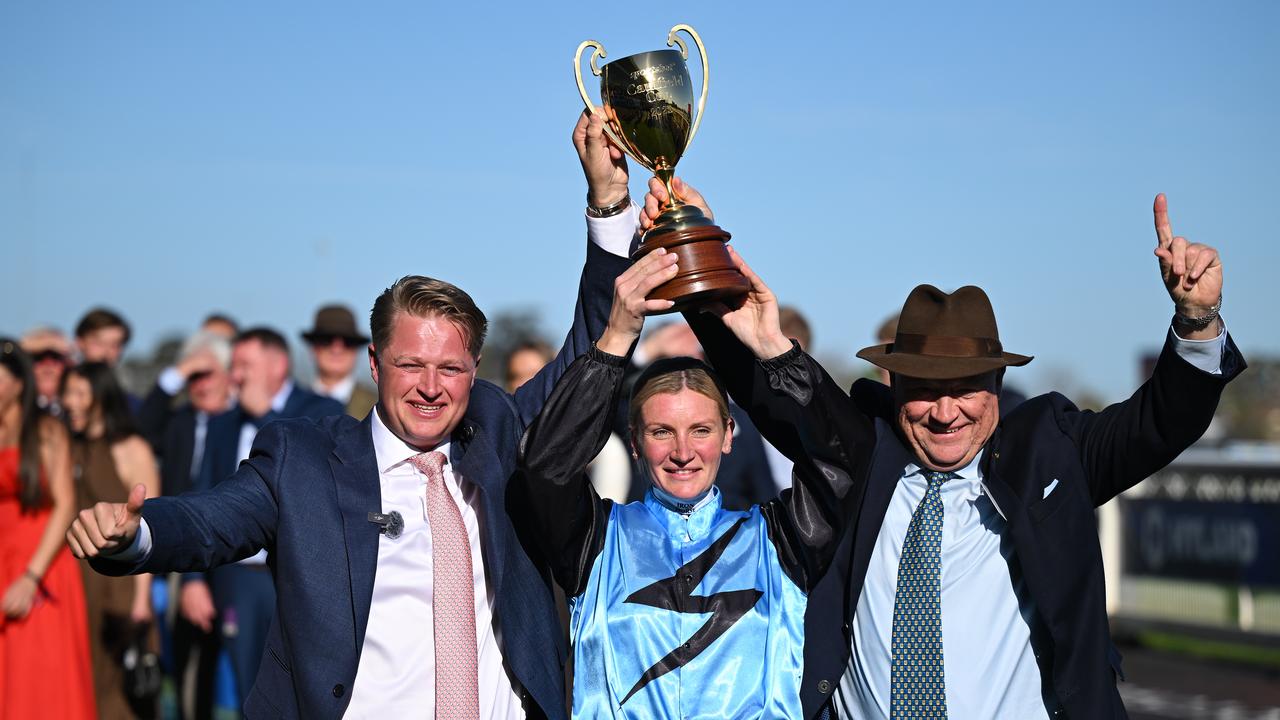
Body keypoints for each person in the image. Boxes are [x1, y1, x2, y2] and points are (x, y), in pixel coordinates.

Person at [66, 110, 649, 720]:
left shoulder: (500, 431)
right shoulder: (303, 461)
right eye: (410, 365)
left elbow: (586, 356)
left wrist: (608, 203)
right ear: (375, 363)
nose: (430, 388)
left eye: (450, 369)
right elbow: (211, 521)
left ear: (475, 369)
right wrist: (136, 535)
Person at [632, 181, 1243, 718]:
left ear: (998, 383)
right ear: (894, 386)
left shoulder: (1050, 452)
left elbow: (1161, 422)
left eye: (965, 389)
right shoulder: (862, 454)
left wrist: (1196, 322)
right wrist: (695, 246)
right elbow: (771, 387)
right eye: (925, 390)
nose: (945, 412)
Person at [517, 242, 862, 719]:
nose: (682, 452)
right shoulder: (593, 540)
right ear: (634, 442)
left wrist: (772, 349)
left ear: (728, 435)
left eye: (701, 430)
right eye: (662, 432)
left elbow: (846, 458)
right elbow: (544, 467)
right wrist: (615, 340)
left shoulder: (781, 540)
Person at [184, 326, 345, 708]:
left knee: (303, 689)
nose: (236, 375)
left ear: (278, 366)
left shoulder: (320, 411)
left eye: (245, 365)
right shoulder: (223, 424)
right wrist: (193, 580)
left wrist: (266, 415)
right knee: (248, 691)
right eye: (234, 365)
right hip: (238, 579)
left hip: (296, 576)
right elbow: (203, 498)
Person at [134, 330, 235, 720]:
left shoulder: (245, 421)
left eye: (208, 374)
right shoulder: (180, 423)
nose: (201, 385)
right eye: (193, 377)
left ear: (229, 375)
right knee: (189, 659)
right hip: (184, 553)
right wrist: (180, 371)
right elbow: (142, 427)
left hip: (235, 553)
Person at [0, 339, 96, 719]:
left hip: (41, 562)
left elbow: (65, 505)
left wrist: (31, 577)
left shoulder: (46, 430)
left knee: (40, 676)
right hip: (3, 557)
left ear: (18, 383)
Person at [62, 361, 162, 718]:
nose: (70, 402)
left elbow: (151, 530)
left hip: (122, 582)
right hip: (75, 585)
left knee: (121, 687)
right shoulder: (66, 446)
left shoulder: (132, 449)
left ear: (102, 397)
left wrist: (141, 601)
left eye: (80, 393)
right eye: (67, 392)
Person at [302, 304, 378, 419]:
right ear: (313, 348)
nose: (336, 349)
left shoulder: (379, 408)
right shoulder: (292, 407)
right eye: (326, 340)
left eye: (348, 341)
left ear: (357, 350)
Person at [20, 326, 73, 416]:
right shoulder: (15, 409)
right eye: (38, 357)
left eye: (56, 357)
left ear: (68, 363)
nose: (48, 364)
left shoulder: (78, 410)